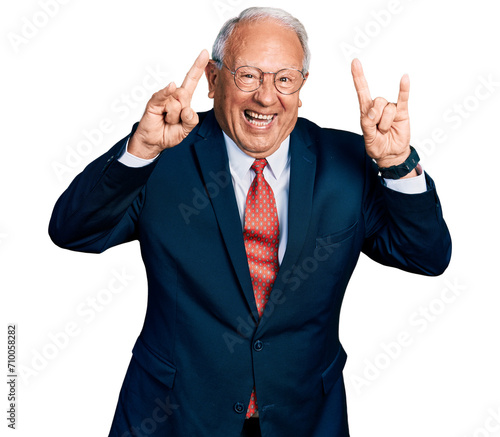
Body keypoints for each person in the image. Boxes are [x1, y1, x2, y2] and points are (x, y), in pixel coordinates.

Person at [49, 7, 451, 437]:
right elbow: (74, 231)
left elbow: (425, 256)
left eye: (284, 79)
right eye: (248, 76)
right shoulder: (163, 153)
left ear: (301, 88)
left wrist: (397, 164)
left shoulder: (346, 162)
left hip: (305, 418)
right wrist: (139, 150)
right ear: (213, 80)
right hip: (172, 417)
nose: (266, 97)